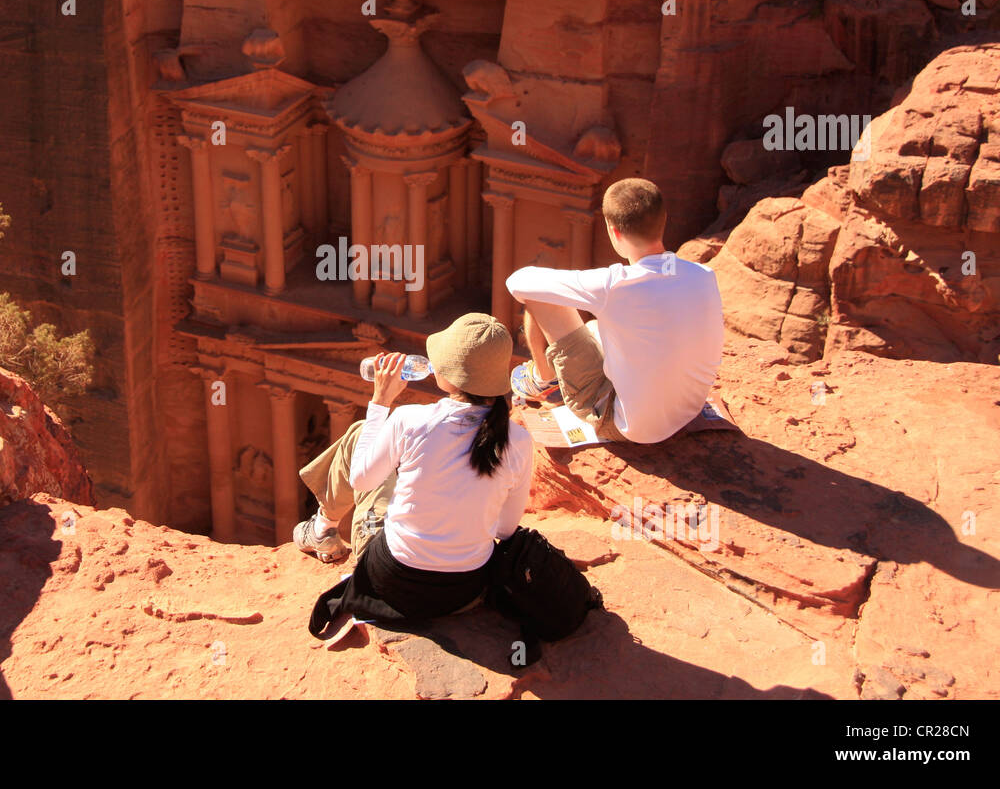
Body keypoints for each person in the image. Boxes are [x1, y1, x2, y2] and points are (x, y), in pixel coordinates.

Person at [298, 312, 535, 632]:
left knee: (361, 438)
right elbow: (505, 530)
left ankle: (323, 528)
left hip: (392, 582)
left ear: (450, 374)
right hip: (464, 593)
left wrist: (380, 400)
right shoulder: (519, 441)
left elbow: (361, 479)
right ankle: (323, 527)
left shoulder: (409, 420)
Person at [506, 177, 723, 445]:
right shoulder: (704, 274)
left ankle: (544, 379)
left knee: (539, 296)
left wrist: (573, 284)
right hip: (687, 410)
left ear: (614, 231)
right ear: (663, 220)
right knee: (594, 328)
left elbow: (517, 282)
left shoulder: (613, 285)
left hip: (631, 427)